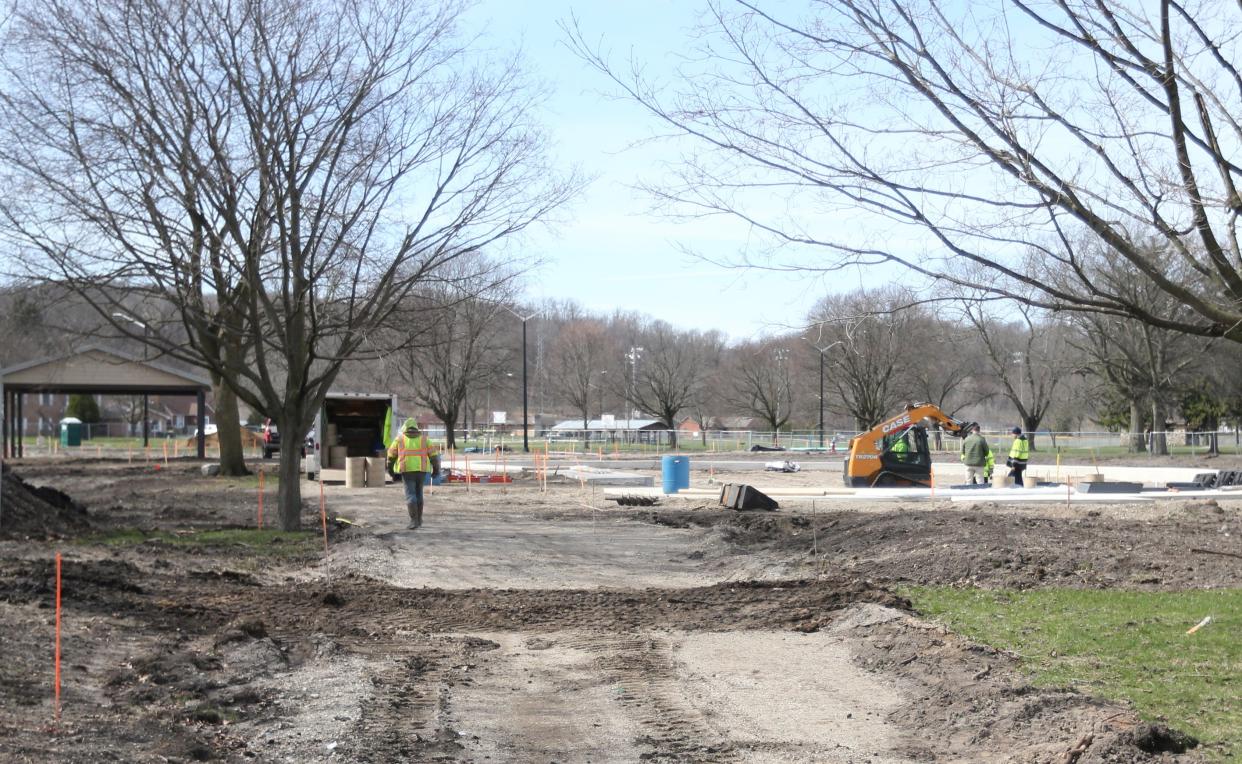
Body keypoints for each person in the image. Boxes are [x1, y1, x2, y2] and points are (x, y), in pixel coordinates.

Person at [386, 418, 441, 529]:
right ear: (416, 427)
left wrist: (390, 470)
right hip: (421, 471)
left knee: (410, 494)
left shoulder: (399, 439)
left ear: (405, 428)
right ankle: (419, 520)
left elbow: (391, 456)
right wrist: (436, 470)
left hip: (407, 471)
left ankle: (413, 521)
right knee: (418, 494)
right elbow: (434, 456)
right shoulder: (425, 439)